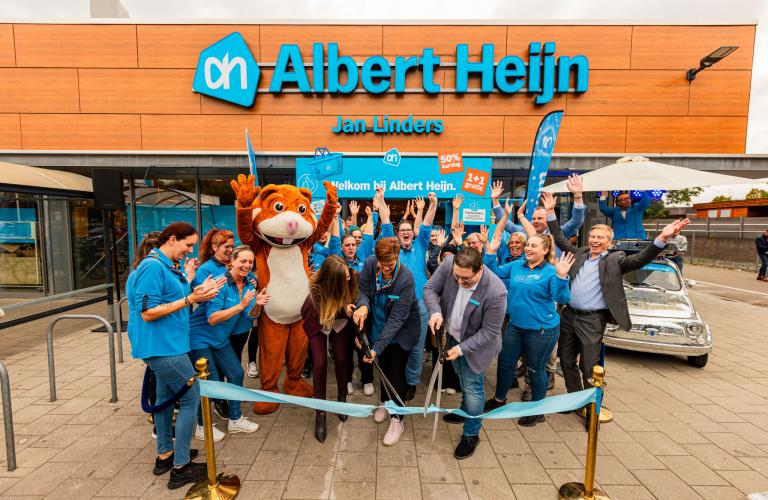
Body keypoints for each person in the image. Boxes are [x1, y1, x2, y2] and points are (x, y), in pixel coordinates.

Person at [546, 192, 690, 427]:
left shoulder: (616, 259)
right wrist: (552, 213)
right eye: (592, 235)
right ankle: (575, 401)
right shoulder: (580, 253)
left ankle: (592, 407)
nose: (594, 240)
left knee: (590, 367)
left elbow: (640, 260)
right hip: (569, 316)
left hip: (592, 321)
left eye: (600, 237)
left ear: (609, 243)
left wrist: (662, 238)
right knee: (566, 359)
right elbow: (560, 239)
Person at [126, 222, 225, 490]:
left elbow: (176, 300)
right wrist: (190, 299)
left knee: (164, 399)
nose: (190, 250)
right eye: (188, 245)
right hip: (163, 348)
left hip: (169, 345)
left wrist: (197, 293)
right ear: (172, 239)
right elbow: (149, 312)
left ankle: (165, 455)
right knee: (191, 398)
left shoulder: (164, 265)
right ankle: (181, 467)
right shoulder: (152, 267)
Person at [483, 232, 574, 426]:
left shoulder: (551, 271)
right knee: (505, 364)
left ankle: (537, 410)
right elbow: (494, 274)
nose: (528, 248)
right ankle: (499, 400)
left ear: (545, 250)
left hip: (541, 330)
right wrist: (490, 253)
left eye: (533, 246)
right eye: (528, 245)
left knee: (535, 369)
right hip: (515, 326)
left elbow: (563, 299)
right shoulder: (517, 266)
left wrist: (562, 276)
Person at [423, 248, 507, 458]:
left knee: (472, 387)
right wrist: (434, 311)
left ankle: (471, 433)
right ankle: (464, 411)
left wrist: (461, 349)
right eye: (456, 277)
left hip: (476, 346)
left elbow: (489, 332)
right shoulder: (450, 263)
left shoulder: (496, 291)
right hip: (453, 336)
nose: (459, 282)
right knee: (461, 377)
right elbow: (430, 289)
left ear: (479, 270)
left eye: (466, 279)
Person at [188, 245, 266, 441]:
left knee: (236, 373)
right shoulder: (220, 283)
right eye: (243, 261)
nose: (247, 265)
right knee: (210, 381)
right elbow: (212, 318)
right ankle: (201, 426)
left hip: (220, 339)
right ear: (232, 261)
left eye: (250, 262)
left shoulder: (250, 283)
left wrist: (256, 304)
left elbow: (250, 315)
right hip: (199, 337)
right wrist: (241, 305)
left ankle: (235, 419)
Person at [352, 238, 421, 446]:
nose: (385, 269)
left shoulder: (406, 279)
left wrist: (375, 348)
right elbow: (363, 290)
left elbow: (397, 320)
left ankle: (397, 419)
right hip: (377, 327)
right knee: (382, 368)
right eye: (382, 265)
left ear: (397, 257)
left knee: (395, 373)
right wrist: (363, 306)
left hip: (401, 332)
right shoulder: (371, 263)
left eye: (389, 264)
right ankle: (384, 402)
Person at [378, 188, 438, 401]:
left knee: (416, 347)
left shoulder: (421, 245)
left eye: (408, 229)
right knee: (392, 345)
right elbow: (385, 220)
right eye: (401, 229)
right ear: (397, 234)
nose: (405, 232)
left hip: (418, 306)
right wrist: (381, 199)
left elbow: (428, 223)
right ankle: (392, 380)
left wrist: (432, 205)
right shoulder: (392, 247)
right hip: (393, 306)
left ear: (413, 233)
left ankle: (411, 382)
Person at [301, 255, 359, 442]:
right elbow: (314, 314)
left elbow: (356, 301)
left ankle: (341, 400)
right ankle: (321, 414)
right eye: (344, 277)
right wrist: (343, 310)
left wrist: (352, 312)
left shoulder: (351, 276)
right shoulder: (316, 293)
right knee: (319, 364)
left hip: (340, 322)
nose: (348, 279)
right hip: (320, 321)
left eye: (348, 275)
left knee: (342, 359)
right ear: (332, 279)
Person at [330, 207, 376, 396]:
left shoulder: (363, 260)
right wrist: (335, 214)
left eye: (353, 244)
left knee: (364, 346)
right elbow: (334, 235)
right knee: (344, 351)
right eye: (346, 244)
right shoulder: (336, 261)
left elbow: (369, 236)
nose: (350, 247)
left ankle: (367, 380)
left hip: (361, 314)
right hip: (341, 315)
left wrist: (373, 214)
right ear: (341, 247)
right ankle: (347, 379)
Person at [490, 175, 586, 251]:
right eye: (534, 218)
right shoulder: (523, 232)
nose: (536, 221)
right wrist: (495, 200)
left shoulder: (558, 233)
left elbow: (576, 221)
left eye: (540, 218)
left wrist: (578, 196)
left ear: (548, 220)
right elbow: (506, 224)